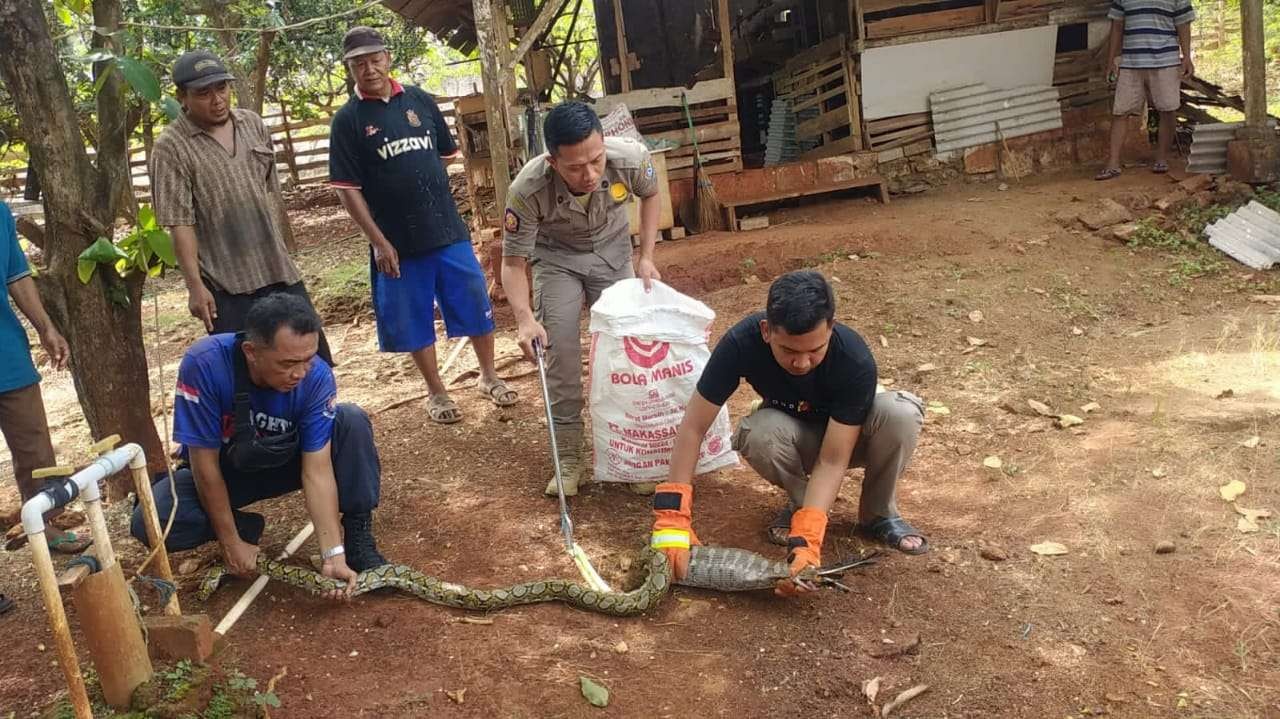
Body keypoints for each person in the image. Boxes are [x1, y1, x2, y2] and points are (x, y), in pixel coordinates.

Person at [649, 271, 927, 596]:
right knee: (757, 431)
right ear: (767, 331)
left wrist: (808, 542)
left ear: (832, 328)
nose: (803, 363)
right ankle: (801, 506)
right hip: (795, 437)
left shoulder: (854, 359)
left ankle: (877, 514)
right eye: (789, 351)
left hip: (848, 440)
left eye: (815, 350)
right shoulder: (741, 344)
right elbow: (693, 428)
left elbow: (833, 460)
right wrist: (672, 518)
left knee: (900, 414)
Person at [131, 294, 385, 599]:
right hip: (227, 471)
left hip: (288, 462)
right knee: (150, 519)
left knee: (351, 421)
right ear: (251, 352)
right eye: (288, 363)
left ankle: (357, 537)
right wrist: (230, 541)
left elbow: (317, 469)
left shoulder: (316, 377)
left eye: (309, 359)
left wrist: (332, 554)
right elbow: (203, 464)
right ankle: (243, 529)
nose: (300, 373)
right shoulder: (205, 363)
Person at [329, 26, 515, 425]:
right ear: (350, 68)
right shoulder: (347, 120)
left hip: (446, 229)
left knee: (473, 304)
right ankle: (437, 392)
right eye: (359, 62)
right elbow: (347, 190)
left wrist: (419, 188)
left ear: (388, 58)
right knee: (414, 319)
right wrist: (379, 241)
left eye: (375, 58)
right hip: (396, 241)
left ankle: (489, 376)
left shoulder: (419, 101)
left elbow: (445, 156)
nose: (369, 68)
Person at [502, 101, 662, 496]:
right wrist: (524, 318)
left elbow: (652, 194)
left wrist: (646, 257)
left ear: (604, 142)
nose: (589, 174)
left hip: (612, 254)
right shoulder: (527, 189)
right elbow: (512, 262)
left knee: (626, 353)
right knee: (560, 352)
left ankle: (633, 455)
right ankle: (570, 457)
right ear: (552, 161)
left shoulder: (631, 157)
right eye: (575, 167)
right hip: (557, 262)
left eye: (596, 159)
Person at [151, 49, 333, 364]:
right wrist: (195, 286)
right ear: (182, 97)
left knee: (312, 359)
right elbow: (180, 224)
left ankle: (320, 414)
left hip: (277, 269)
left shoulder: (253, 125)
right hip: (226, 284)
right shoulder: (171, 147)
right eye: (203, 93)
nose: (217, 99)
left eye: (221, 88)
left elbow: (268, 190)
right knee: (249, 371)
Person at [0, 200, 89, 554]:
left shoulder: (0, 211)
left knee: (34, 445)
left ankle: (47, 523)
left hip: (6, 352)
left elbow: (16, 275)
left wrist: (46, 328)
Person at [1095, 0, 1195, 180]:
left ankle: (1162, 158)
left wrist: (1187, 56)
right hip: (1131, 62)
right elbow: (1117, 26)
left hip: (1166, 61)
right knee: (1120, 111)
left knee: (1167, 108)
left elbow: (1183, 24)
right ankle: (1113, 163)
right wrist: (1111, 60)